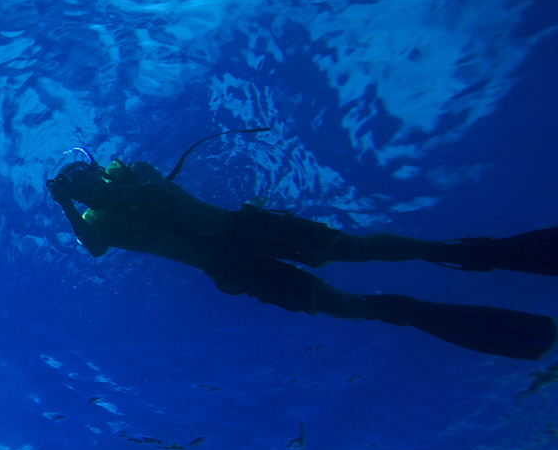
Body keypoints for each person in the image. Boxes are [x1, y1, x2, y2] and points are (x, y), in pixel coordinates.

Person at [48, 154, 558, 359]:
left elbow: (157, 195)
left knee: (352, 250)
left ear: (97, 169)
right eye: (78, 187)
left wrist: (108, 192)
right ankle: (397, 308)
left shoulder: (131, 172)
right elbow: (92, 249)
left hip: (242, 227)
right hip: (227, 267)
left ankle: (449, 252)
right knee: (330, 301)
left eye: (86, 176)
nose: (88, 187)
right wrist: (69, 206)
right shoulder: (96, 224)